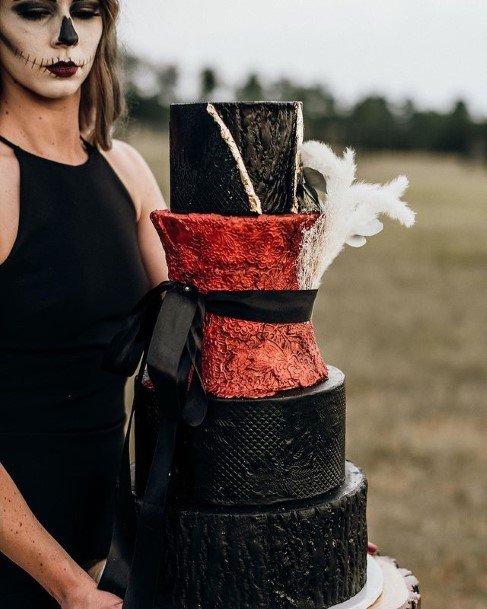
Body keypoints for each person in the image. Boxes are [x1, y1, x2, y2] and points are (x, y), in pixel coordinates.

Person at [0, 1, 169, 607]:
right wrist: (67, 585)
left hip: (112, 551)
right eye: (35, 10)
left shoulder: (125, 170)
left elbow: (194, 344)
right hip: (19, 561)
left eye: (87, 11)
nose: (67, 35)